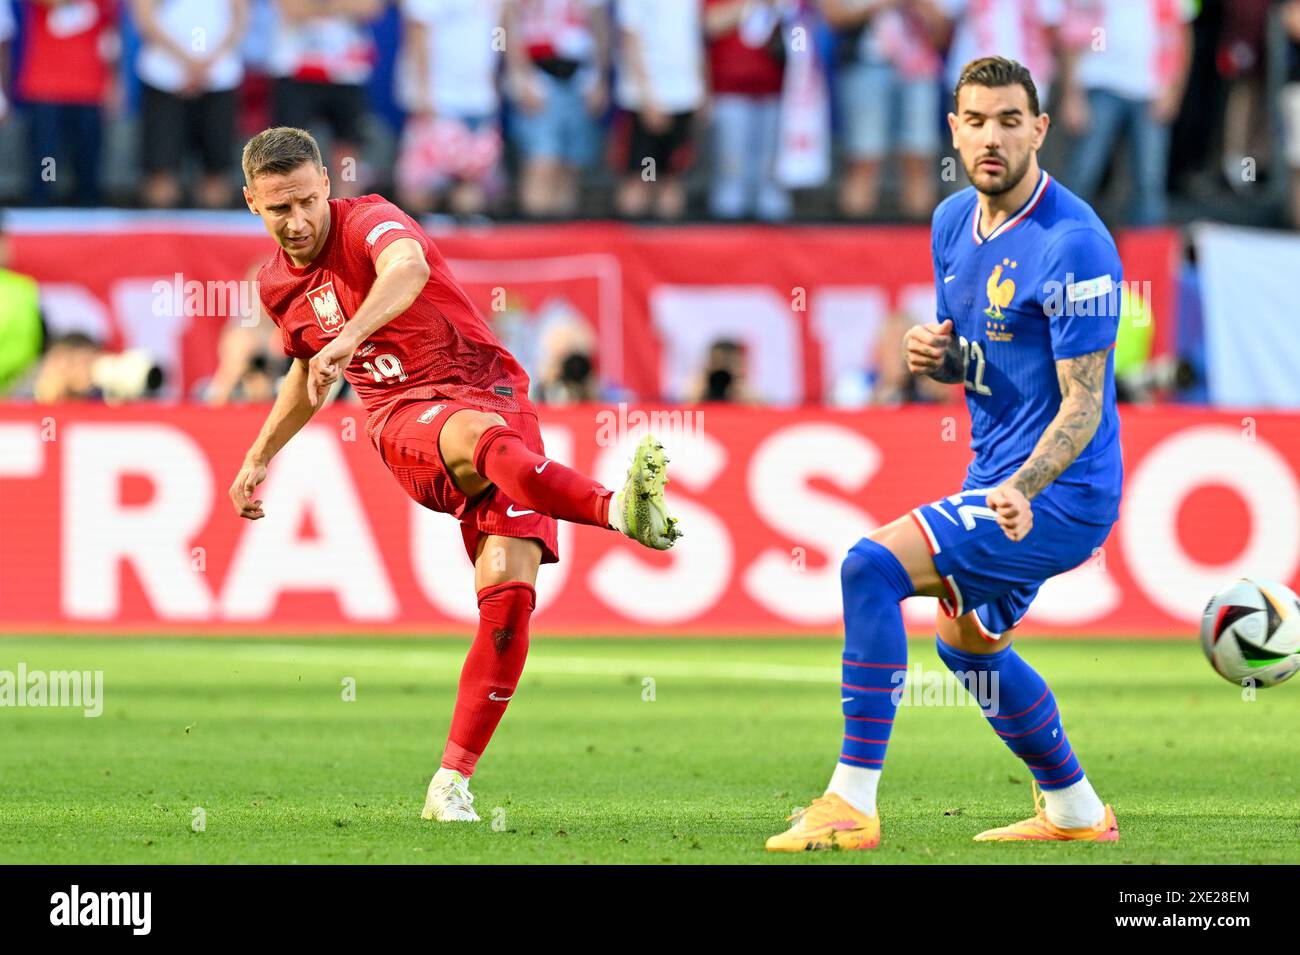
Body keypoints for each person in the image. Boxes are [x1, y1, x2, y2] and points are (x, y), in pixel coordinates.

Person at [231, 126, 682, 822]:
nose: (296, 221)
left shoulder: (373, 220)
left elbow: (407, 270)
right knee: (476, 437)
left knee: (507, 602)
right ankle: (620, 511)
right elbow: (305, 373)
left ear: (327, 185)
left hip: (495, 390)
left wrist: (346, 340)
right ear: (252, 205)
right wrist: (260, 454)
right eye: (277, 209)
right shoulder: (276, 286)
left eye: (306, 201)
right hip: (405, 417)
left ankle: (450, 783)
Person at [768, 57, 1124, 851]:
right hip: (997, 476)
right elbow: (993, 362)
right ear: (954, 129)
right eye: (975, 120)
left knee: (870, 565)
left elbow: (1084, 401)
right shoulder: (950, 222)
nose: (991, 137)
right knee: (967, 645)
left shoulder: (1075, 244)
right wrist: (944, 357)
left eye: (1008, 120)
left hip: (1063, 491)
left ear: (1039, 128)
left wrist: (1026, 487)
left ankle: (851, 801)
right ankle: (1074, 808)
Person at [1058, 0, 1193, 226]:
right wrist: (1072, 94)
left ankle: (1146, 254)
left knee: (1149, 181)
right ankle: (1062, 241)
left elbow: (1182, 35)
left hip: (1151, 90)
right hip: (1099, 83)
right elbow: (1074, 34)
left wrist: (1174, 90)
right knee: (1083, 171)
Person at [819, 0, 948, 220]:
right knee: (864, 158)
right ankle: (852, 246)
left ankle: (921, 247)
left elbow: (942, 32)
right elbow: (833, 17)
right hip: (866, 68)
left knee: (918, 159)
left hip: (919, 70)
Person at [131, 0, 249, 208]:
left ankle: (211, 237)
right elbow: (144, 16)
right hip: (164, 77)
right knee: (160, 175)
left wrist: (206, 63)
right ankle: (161, 238)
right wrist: (187, 61)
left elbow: (240, 17)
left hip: (218, 78)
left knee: (216, 175)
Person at [394, 0, 504, 216]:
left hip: (478, 98)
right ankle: (426, 240)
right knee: (419, 186)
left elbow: (497, 31)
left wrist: (493, 83)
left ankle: (466, 244)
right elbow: (417, 29)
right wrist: (423, 90)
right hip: (440, 96)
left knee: (474, 185)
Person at [503, 0, 610, 218]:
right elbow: (509, 21)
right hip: (540, 76)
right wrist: (520, 74)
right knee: (542, 161)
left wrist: (599, 76)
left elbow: (599, 25)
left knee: (570, 164)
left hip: (578, 79)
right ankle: (535, 237)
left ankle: (562, 236)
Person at [612, 0, 706, 220]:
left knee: (672, 177)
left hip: (683, 97)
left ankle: (667, 250)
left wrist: (702, 87)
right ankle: (631, 249)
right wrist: (647, 97)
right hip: (646, 101)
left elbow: (695, 38)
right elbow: (629, 36)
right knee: (644, 177)